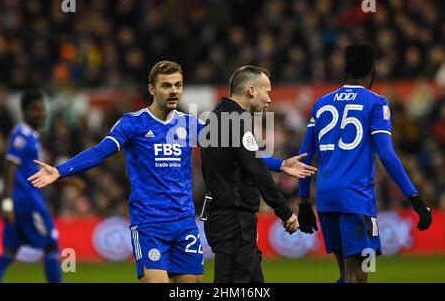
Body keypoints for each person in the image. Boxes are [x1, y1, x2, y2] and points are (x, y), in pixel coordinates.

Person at [27, 61, 313, 283]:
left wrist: (280, 164)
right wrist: (60, 171)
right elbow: (100, 152)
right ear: (152, 89)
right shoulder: (132, 124)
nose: (174, 91)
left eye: (178, 85)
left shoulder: (192, 124)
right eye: (166, 85)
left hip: (185, 223)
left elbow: (239, 154)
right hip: (150, 224)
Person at [296, 43, 433, 283]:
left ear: (344, 69)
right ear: (374, 71)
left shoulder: (321, 103)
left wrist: (304, 201)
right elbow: (387, 155)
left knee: (346, 274)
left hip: (327, 199)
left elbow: (305, 155)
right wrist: (415, 197)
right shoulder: (376, 103)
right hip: (356, 199)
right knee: (358, 277)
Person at [200, 65, 317, 283]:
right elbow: (255, 169)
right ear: (251, 91)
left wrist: (279, 164)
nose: (270, 99)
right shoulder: (237, 120)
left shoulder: (217, 116)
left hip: (225, 218)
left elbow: (240, 161)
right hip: (234, 221)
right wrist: (285, 211)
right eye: (267, 92)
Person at [0, 91, 62, 283]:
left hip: (22, 199)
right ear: (24, 112)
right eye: (36, 110)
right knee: (51, 245)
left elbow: (29, 170)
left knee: (10, 250)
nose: (41, 114)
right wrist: (6, 204)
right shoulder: (21, 135)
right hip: (27, 201)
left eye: (42, 110)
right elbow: (9, 168)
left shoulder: (31, 135)